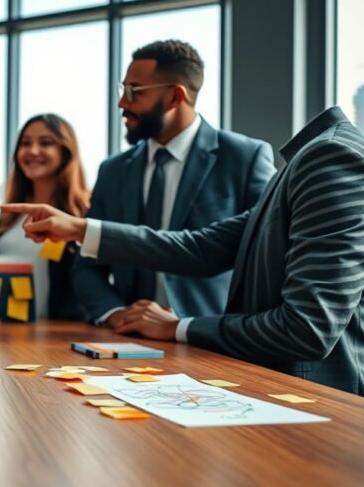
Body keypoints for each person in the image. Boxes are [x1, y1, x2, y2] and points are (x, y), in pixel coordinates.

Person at [2, 106, 364, 397]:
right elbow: (200, 248)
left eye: (134, 90)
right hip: (242, 383)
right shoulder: (299, 168)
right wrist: (78, 228)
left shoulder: (335, 159)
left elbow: (306, 328)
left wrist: (177, 326)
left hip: (312, 405)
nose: (123, 101)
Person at [73, 40, 276, 328]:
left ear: (174, 97)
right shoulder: (113, 170)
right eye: (123, 89)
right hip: (126, 341)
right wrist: (115, 313)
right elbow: (86, 266)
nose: (122, 103)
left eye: (134, 91)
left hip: (211, 342)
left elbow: (264, 254)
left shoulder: (245, 158)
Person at [0, 114, 90, 321]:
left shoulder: (83, 214)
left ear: (65, 152)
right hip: (5, 332)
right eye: (25, 143)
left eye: (45, 143)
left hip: (58, 336)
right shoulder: (9, 214)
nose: (33, 151)